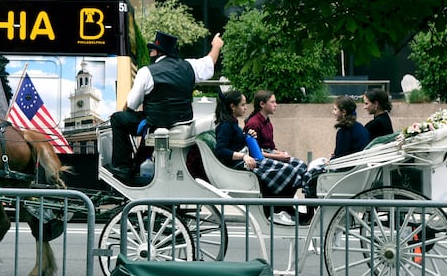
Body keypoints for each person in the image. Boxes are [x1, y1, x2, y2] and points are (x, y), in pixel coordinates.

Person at [108, 31, 224, 182]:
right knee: (149, 122)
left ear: (157, 52)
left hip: (156, 123)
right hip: (183, 121)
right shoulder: (189, 66)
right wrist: (216, 45)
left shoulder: (146, 72)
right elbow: (210, 61)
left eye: (152, 50)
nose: (150, 52)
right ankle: (137, 163)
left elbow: (131, 104)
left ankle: (122, 168)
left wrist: (127, 109)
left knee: (119, 119)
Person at [214, 90, 308, 225]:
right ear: (232, 107)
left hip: (246, 159)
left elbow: (235, 142)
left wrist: (247, 135)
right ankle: (276, 209)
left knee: (292, 168)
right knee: (287, 170)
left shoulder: (232, 123)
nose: (246, 108)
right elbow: (221, 150)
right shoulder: (226, 125)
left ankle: (282, 208)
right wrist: (244, 157)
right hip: (239, 164)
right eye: (242, 105)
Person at [244, 90, 310, 223]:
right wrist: (279, 157)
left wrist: (280, 153)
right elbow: (256, 152)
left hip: (270, 155)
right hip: (259, 160)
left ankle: (286, 204)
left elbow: (271, 147)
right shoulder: (253, 123)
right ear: (262, 104)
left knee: (301, 166)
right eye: (272, 102)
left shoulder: (267, 121)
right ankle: (279, 207)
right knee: (289, 170)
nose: (276, 104)